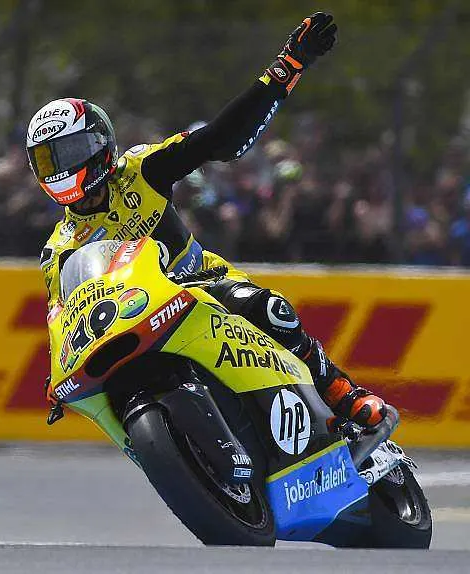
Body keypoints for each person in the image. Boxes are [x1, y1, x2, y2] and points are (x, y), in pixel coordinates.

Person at [27, 13, 387, 429]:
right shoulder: (60, 248)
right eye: (47, 160)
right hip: (134, 323)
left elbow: (218, 139)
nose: (59, 167)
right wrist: (57, 375)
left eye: (68, 153)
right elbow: (62, 318)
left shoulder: (141, 169)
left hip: (200, 283)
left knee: (272, 311)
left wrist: (288, 66)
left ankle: (341, 392)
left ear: (98, 144)